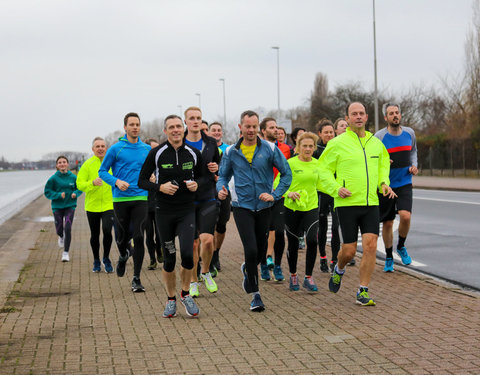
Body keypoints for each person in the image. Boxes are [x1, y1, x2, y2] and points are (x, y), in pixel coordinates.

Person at [318, 102, 395, 306]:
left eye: (361, 113)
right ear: (348, 118)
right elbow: (322, 170)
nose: (358, 117)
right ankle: (339, 269)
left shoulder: (376, 143)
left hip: (371, 203)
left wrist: (383, 183)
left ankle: (363, 291)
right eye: (354, 114)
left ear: (367, 117)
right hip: (347, 203)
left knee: (370, 246)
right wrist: (336, 189)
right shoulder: (337, 143)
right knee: (349, 251)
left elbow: (383, 165)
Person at [217, 110, 292, 312]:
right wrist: (221, 190)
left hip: (264, 206)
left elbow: (286, 174)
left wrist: (275, 195)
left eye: (254, 126)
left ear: (258, 127)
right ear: (240, 127)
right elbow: (222, 176)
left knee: (258, 253)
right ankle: (255, 295)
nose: (251, 130)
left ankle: (247, 268)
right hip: (242, 206)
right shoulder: (231, 151)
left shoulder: (269, 148)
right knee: (250, 250)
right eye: (247, 126)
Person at [138, 114, 202, 318]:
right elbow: (141, 181)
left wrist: (197, 184)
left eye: (178, 126)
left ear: (182, 129)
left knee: (187, 254)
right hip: (164, 213)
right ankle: (171, 299)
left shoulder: (193, 153)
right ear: (165, 131)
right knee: (169, 259)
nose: (175, 130)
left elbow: (204, 177)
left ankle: (185, 294)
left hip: (186, 211)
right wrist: (160, 187)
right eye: (171, 127)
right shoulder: (157, 153)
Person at [98, 112, 151, 293]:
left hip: (141, 197)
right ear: (125, 127)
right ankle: (123, 255)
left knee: (138, 236)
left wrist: (152, 176)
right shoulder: (116, 149)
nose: (135, 127)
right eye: (132, 124)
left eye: (137, 124)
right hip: (120, 199)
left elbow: (153, 169)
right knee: (121, 238)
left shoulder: (146, 149)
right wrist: (116, 182)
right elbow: (103, 171)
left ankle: (136, 278)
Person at [375, 103, 418, 272]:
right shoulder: (379, 137)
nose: (395, 115)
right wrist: (384, 162)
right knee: (387, 223)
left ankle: (400, 246)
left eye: (397, 112)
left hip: (405, 182)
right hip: (387, 185)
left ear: (400, 115)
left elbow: (413, 151)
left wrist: (414, 165)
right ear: (385, 118)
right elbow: (375, 158)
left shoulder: (410, 133)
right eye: (391, 113)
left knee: (405, 217)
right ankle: (388, 256)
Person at [183, 107, 221, 297]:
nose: (196, 121)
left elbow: (217, 167)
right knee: (192, 244)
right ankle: (193, 281)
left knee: (207, 241)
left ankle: (205, 272)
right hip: (187, 199)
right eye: (192, 118)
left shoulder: (211, 142)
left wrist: (216, 168)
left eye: (198, 118)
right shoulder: (179, 142)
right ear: (186, 122)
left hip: (207, 196)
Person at [281, 132, 322, 292]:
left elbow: (324, 183)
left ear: (314, 148)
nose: (307, 148)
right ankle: (293, 274)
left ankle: (308, 277)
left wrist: (337, 190)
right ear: (298, 147)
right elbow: (279, 182)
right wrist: (289, 193)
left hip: (311, 206)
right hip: (292, 207)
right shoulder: (290, 163)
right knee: (293, 243)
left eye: (311, 146)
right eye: (304, 145)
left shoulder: (318, 164)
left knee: (312, 240)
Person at [258, 117, 290, 282]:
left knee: (279, 231)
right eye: (271, 127)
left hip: (279, 195)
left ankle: (277, 265)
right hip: (262, 195)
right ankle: (263, 264)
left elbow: (290, 170)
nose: (276, 130)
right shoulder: (257, 148)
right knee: (263, 233)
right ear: (263, 130)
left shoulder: (284, 148)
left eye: (276, 127)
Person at [77, 137, 115, 273]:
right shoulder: (87, 165)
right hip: (92, 206)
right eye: (97, 146)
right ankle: (96, 260)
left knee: (107, 231)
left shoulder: (112, 163)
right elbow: (79, 184)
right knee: (95, 234)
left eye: (103, 146)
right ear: (93, 149)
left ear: (106, 148)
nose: (100, 148)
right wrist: (92, 183)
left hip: (109, 204)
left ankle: (106, 258)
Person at [313, 119, 341, 273]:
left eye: (331, 132)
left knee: (336, 227)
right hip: (322, 193)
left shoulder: (339, 148)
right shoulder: (317, 152)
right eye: (326, 132)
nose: (330, 135)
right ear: (320, 134)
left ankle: (335, 259)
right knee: (322, 228)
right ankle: (323, 256)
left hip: (336, 193)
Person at [44, 156, 82, 262]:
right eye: (60, 162)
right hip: (57, 206)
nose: (62, 164)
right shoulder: (53, 179)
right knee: (59, 228)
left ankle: (65, 253)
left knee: (68, 228)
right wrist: (58, 195)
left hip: (70, 205)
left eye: (64, 162)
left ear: (67, 164)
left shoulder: (74, 177)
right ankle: (60, 236)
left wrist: (75, 193)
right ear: (57, 165)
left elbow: (80, 188)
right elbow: (47, 192)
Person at [208, 121, 230, 271]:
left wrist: (222, 177)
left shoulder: (228, 149)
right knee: (208, 225)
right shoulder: (206, 148)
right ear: (209, 132)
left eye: (219, 130)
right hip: (208, 191)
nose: (216, 132)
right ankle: (208, 256)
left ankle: (216, 253)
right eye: (213, 130)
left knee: (221, 225)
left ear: (222, 133)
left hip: (223, 190)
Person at [143, 138, 164, 270]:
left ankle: (159, 251)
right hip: (144, 204)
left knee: (160, 232)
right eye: (153, 149)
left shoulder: (162, 164)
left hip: (158, 203)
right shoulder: (142, 165)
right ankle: (152, 258)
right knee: (149, 233)